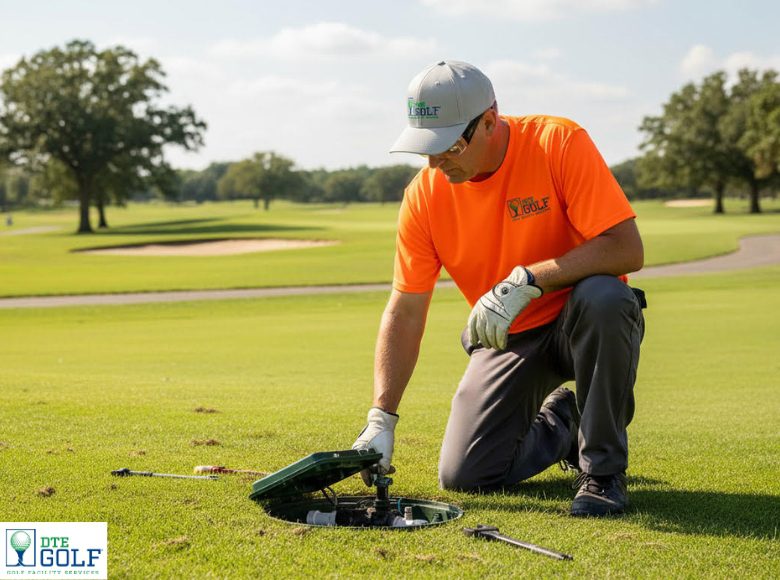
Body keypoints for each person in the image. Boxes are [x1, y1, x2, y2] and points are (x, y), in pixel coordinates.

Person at [352, 60, 646, 517]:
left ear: (489, 121)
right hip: (508, 336)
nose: (434, 162)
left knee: (606, 297)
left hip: (583, 322)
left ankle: (602, 474)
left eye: (448, 145)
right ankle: (567, 421)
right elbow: (405, 309)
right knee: (465, 474)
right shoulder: (425, 195)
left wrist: (529, 278)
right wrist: (381, 417)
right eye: (425, 148)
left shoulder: (558, 142)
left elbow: (627, 249)